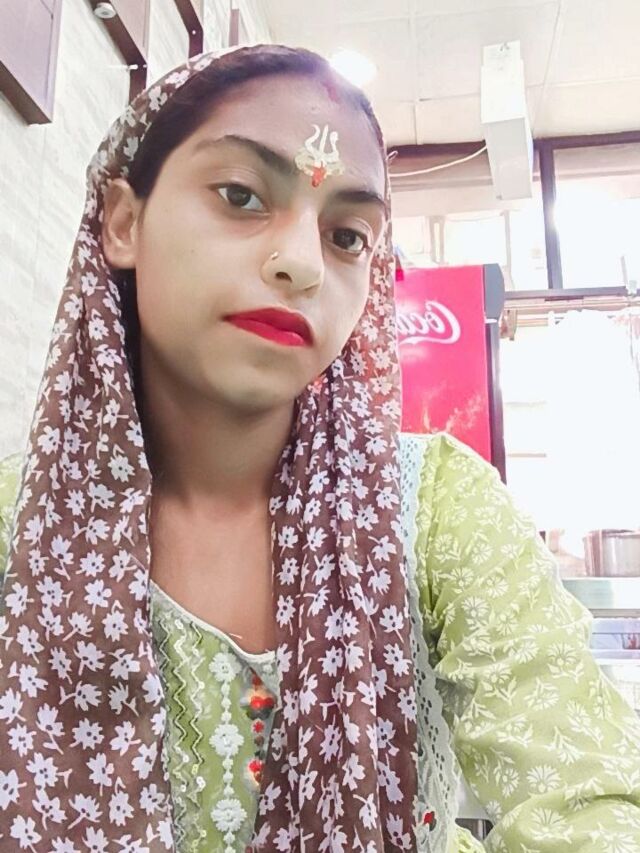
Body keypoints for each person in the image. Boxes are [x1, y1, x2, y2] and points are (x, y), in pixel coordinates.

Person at [0, 44, 639, 853]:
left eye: (346, 236)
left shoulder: (434, 507)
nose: (302, 264)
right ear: (124, 222)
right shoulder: (21, 524)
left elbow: (588, 798)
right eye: (240, 196)